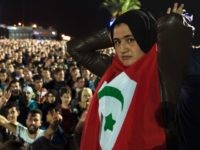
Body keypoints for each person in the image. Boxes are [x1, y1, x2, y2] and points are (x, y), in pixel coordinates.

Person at [67, 3, 193, 150]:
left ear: (145, 38)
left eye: (130, 39)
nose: (122, 49)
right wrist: (116, 30)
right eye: (117, 42)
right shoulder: (114, 69)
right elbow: (74, 48)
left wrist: (154, 26)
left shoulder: (163, 70)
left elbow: (173, 24)